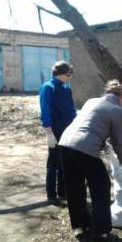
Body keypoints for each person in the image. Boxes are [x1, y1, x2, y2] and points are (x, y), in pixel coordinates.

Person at [58, 80, 122, 240]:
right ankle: (100, 230)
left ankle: (80, 224)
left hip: (64, 143)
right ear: (120, 98)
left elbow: (91, 124)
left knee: (74, 186)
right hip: (84, 147)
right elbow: (118, 142)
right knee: (101, 185)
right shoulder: (116, 110)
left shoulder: (91, 101)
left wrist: (102, 142)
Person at [39, 61, 77, 203]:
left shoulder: (66, 90)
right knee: (53, 163)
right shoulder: (48, 88)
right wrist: (49, 133)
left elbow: (71, 111)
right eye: (68, 75)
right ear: (61, 74)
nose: (69, 78)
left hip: (67, 130)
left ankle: (63, 192)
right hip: (54, 130)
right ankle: (51, 194)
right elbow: (45, 111)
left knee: (64, 162)